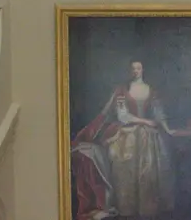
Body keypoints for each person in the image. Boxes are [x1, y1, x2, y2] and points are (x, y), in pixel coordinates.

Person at [71, 60, 177, 219]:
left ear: (143, 69)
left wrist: (167, 129)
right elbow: (123, 116)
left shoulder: (151, 90)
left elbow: (158, 113)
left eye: (138, 68)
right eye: (133, 68)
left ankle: (148, 209)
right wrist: (145, 122)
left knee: (149, 170)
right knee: (125, 165)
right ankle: (127, 209)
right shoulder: (122, 91)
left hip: (149, 135)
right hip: (127, 132)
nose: (136, 71)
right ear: (130, 71)